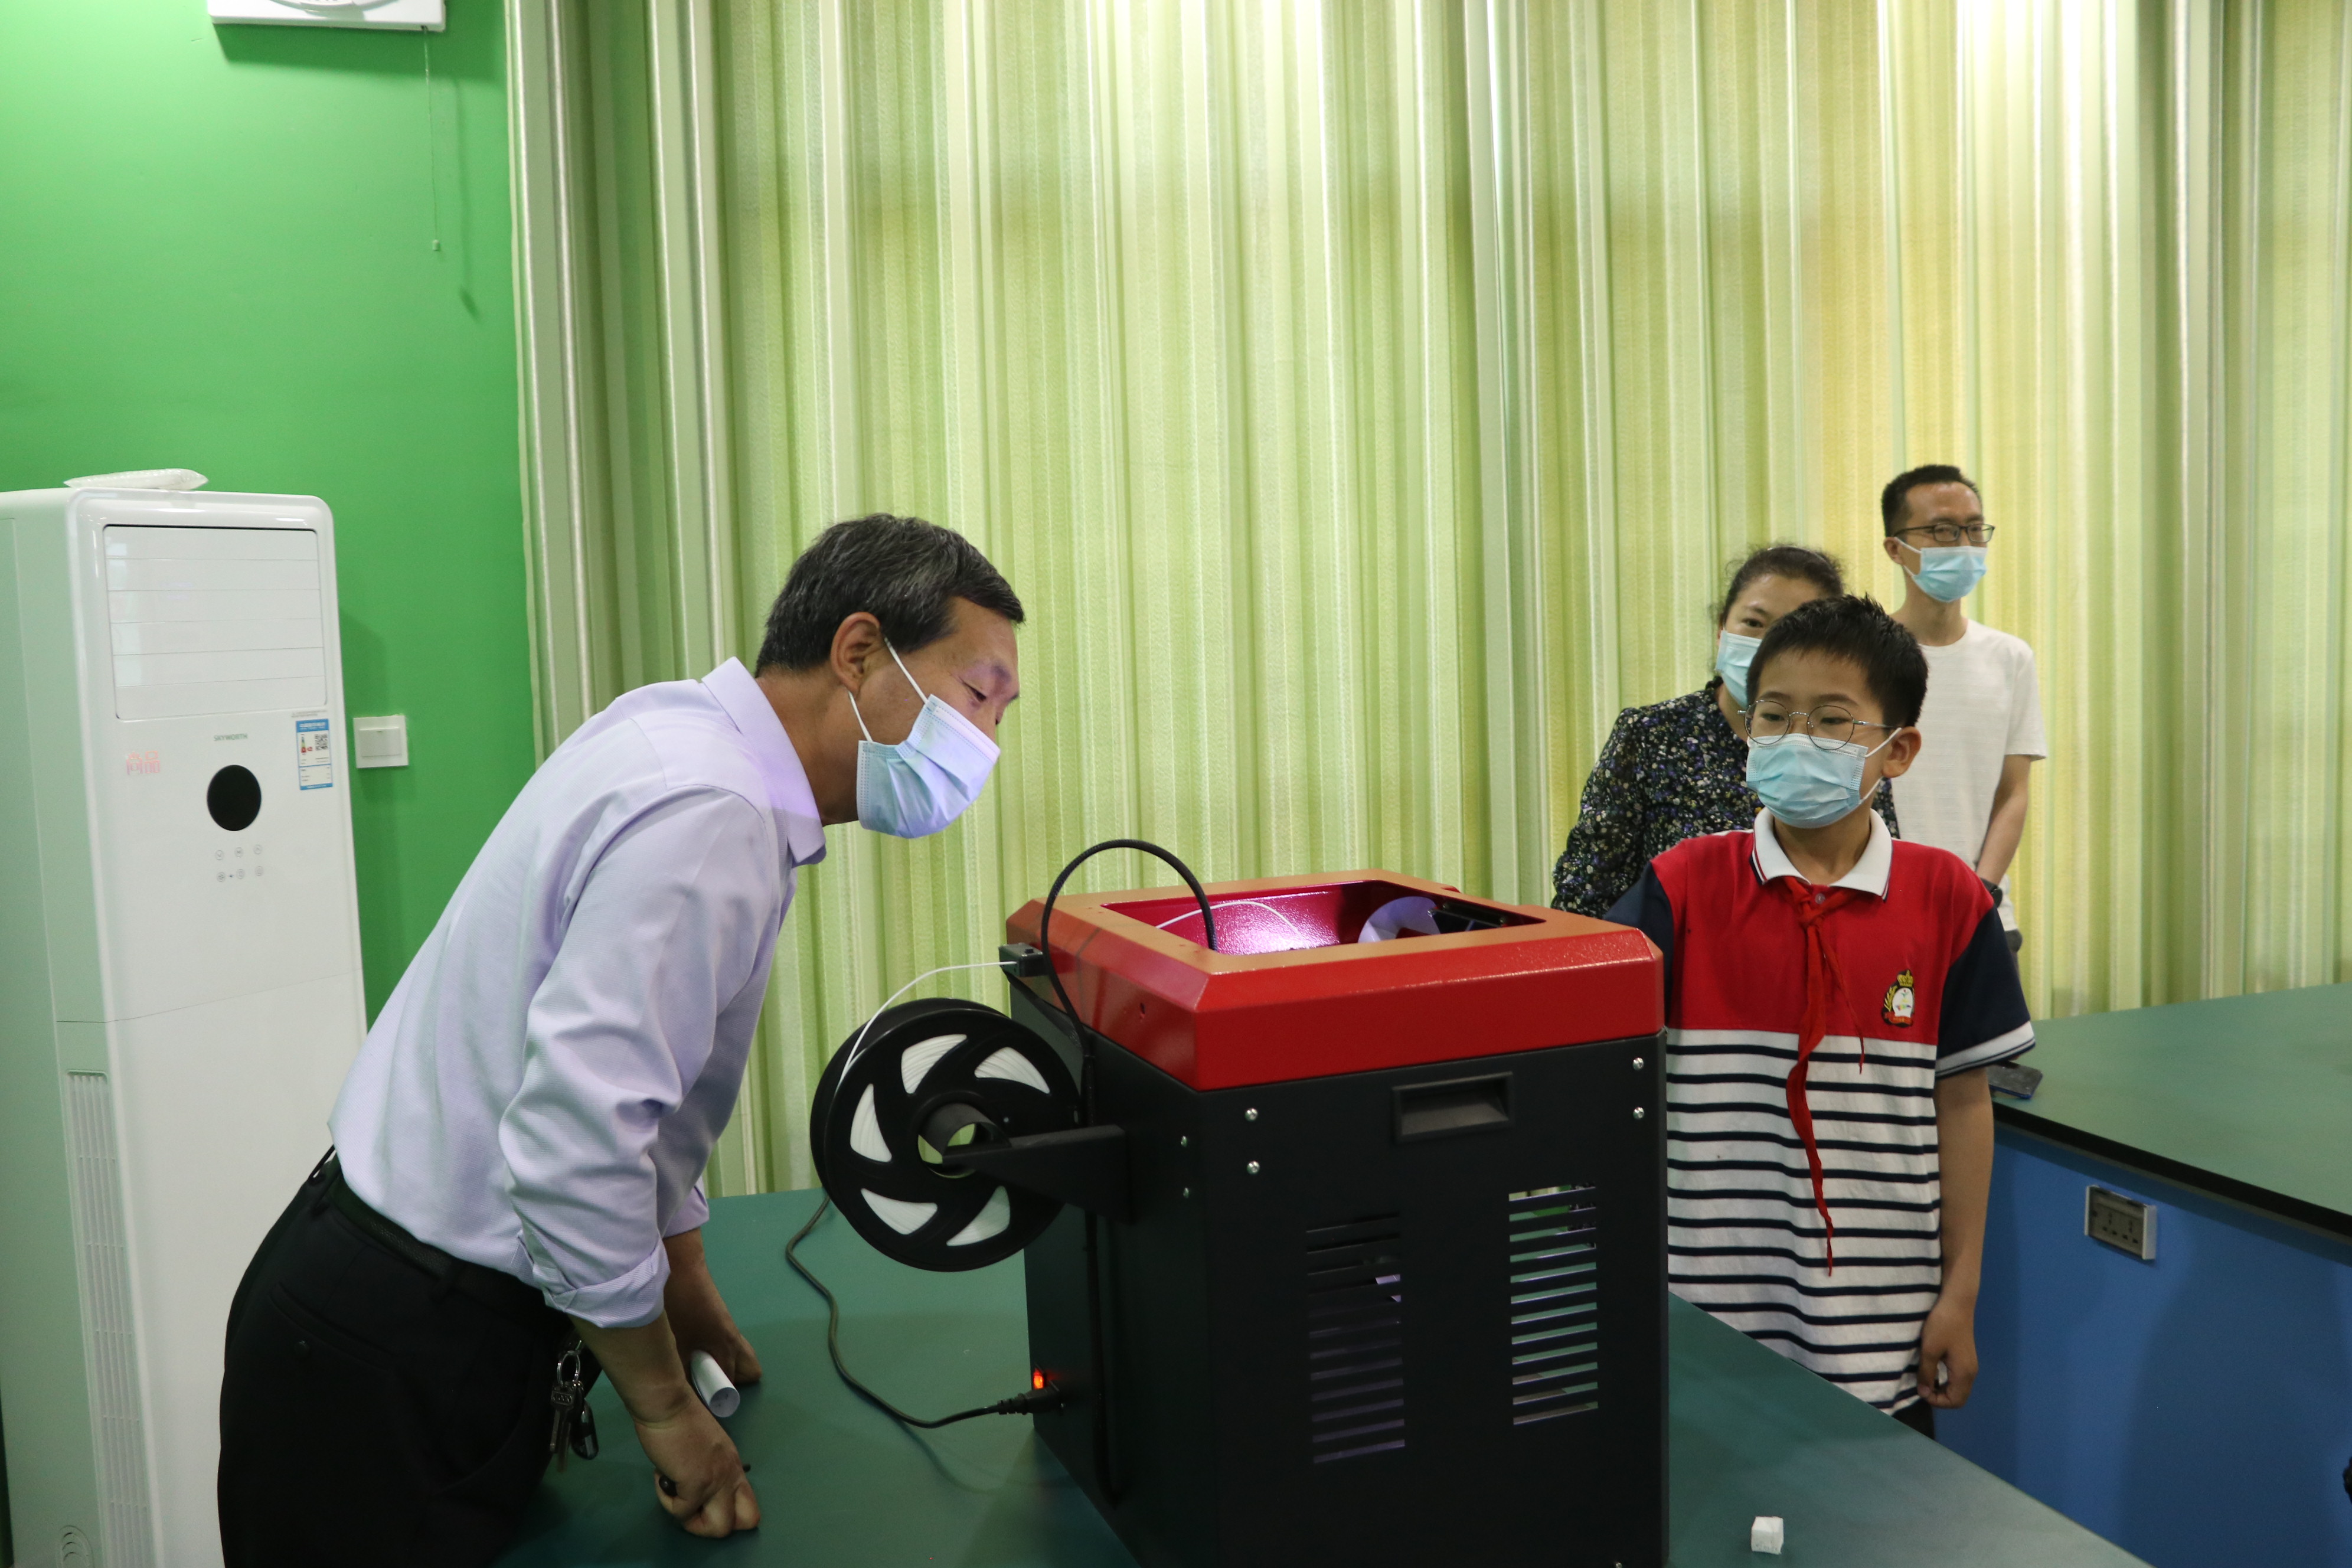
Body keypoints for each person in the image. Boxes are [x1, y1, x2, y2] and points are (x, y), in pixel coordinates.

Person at [217, 515, 1025, 1566]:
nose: (988, 745)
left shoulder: (679, 736)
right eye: (975, 697)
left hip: (371, 1292)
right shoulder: (709, 813)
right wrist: (662, 1410)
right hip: (403, 1340)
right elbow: (576, 1148)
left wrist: (680, 1272)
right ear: (859, 653)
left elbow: (645, 1094)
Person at [1605, 594, 2033, 1436]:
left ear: (1897, 750)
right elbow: (1599, 1074)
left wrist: (1961, 1291)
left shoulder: (1950, 898)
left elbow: (1964, 1103)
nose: (1799, 737)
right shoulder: (1682, 885)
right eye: (1775, 715)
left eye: (1835, 721)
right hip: (1702, 1314)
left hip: (1883, 1327)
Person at [1551, 544, 1900, 919]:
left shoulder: (1849, 743)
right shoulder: (1651, 734)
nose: (1769, 646)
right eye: (1753, 623)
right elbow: (1585, 896)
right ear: (1722, 628)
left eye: (1792, 631)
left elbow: (1881, 875)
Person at [1878, 465, 2046, 952]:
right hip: (1879, 910)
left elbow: (2013, 792)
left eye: (1975, 530)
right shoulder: (1862, 653)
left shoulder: (2010, 657)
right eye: (1944, 531)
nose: (1964, 545)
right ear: (1895, 548)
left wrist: (1982, 892)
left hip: (1983, 916)